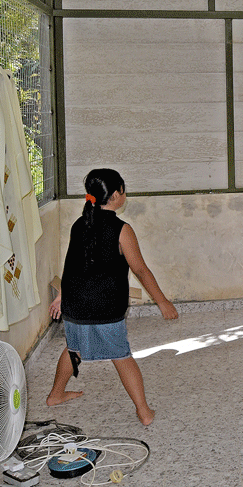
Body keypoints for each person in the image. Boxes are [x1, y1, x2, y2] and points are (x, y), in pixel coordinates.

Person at [47, 169, 178, 426]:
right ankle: (144, 411)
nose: (124, 194)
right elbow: (141, 270)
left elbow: (70, 265)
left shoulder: (79, 224)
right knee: (121, 355)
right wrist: (162, 302)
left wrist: (62, 296)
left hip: (75, 305)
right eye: (123, 190)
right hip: (105, 308)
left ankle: (55, 394)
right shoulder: (122, 229)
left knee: (74, 349)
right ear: (117, 195)